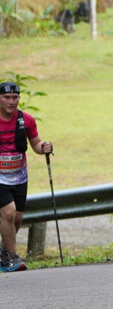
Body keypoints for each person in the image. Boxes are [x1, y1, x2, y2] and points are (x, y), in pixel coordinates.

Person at [0, 81, 53, 272]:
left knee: (16, 218)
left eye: (15, 97)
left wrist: (44, 147)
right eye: (6, 97)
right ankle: (12, 258)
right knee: (8, 213)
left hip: (19, 177)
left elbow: (36, 144)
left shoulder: (26, 120)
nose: (11, 101)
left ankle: (4, 253)